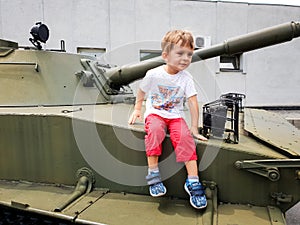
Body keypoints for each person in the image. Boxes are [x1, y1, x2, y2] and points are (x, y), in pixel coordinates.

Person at [128, 29, 208, 209]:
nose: (185, 58)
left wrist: (194, 128)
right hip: (155, 112)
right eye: (180, 53)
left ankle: (193, 181)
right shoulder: (154, 74)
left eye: (189, 54)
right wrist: (137, 109)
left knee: (185, 138)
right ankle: (154, 175)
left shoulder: (186, 78)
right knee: (155, 132)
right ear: (165, 55)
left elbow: (193, 102)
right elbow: (142, 91)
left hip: (175, 115)